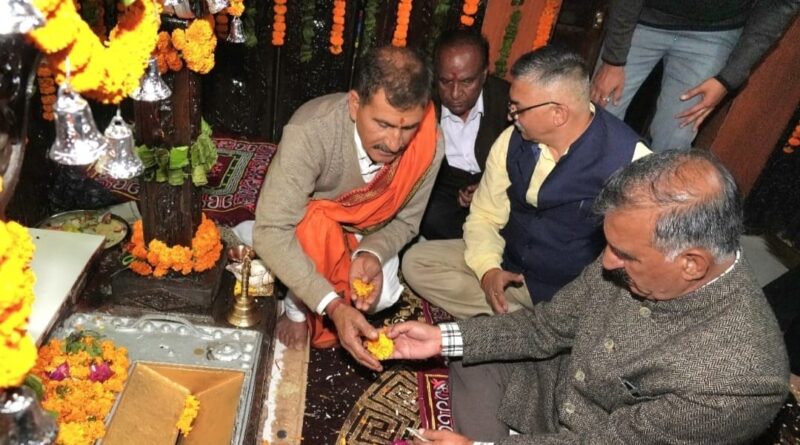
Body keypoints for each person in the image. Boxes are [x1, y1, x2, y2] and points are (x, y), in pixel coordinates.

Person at [389, 149, 790, 444]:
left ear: (691, 264)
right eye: (609, 244)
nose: (608, 262)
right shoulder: (631, 250)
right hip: (552, 389)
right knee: (472, 343)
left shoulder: (741, 381)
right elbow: (546, 327)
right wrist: (442, 338)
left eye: (625, 254)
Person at [403, 46, 650, 320]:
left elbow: (640, 261)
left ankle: (531, 327)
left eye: (518, 108)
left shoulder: (632, 162)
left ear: (558, 113)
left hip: (569, 295)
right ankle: (523, 323)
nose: (511, 115)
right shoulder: (512, 141)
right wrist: (488, 270)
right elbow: (484, 214)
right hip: (510, 267)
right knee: (417, 262)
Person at [253, 46, 443, 371]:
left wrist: (369, 254)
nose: (395, 143)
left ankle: (300, 278)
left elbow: (408, 224)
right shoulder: (310, 132)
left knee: (381, 298)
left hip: (369, 233)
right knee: (278, 233)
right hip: (309, 223)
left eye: (408, 127)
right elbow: (273, 230)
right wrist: (332, 306)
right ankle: (296, 306)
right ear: (355, 105)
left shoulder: (429, 145)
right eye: (383, 124)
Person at [590, 0, 800, 152]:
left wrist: (727, 79)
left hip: (716, 32)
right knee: (596, 120)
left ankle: (647, 209)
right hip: (643, 17)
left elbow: (780, 5)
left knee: (675, 139)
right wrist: (613, 60)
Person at [419, 29, 510, 240]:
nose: (455, 93)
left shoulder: (506, 100)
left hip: (496, 184)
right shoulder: (424, 104)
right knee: (426, 216)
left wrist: (490, 186)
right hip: (444, 185)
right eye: (445, 82)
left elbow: (524, 160)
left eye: (467, 82)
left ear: (484, 75)